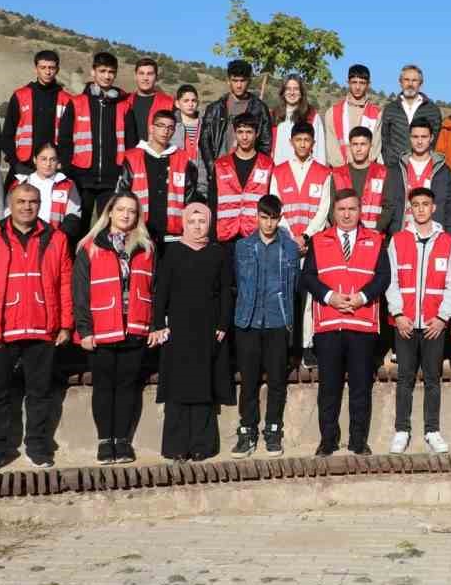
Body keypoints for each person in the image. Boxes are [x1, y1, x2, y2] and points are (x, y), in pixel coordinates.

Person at [0, 183, 73, 470]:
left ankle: (37, 446)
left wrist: (65, 324)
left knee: (40, 393)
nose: (27, 207)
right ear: (10, 204)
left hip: (42, 327)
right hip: (0, 329)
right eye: (21, 201)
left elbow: (65, 283)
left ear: (40, 205)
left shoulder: (56, 238)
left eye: (33, 202)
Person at [300, 188, 391, 455]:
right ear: (334, 212)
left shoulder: (375, 240)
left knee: (361, 386)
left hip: (362, 324)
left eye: (352, 209)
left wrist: (362, 297)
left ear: (360, 211)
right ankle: (328, 440)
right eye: (341, 209)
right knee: (329, 386)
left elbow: (383, 277)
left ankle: (358, 440)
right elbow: (308, 277)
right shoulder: (318, 240)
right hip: (329, 324)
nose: (347, 214)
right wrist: (329, 296)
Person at [73, 191, 155, 466]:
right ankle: (104, 441)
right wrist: (84, 330)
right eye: (120, 209)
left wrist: (154, 325)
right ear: (109, 212)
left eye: (131, 211)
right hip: (103, 327)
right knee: (104, 387)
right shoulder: (89, 247)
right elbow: (80, 293)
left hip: (134, 326)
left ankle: (122, 440)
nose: (126, 215)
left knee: (128, 387)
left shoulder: (146, 248)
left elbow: (154, 289)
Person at [152, 201, 235, 461]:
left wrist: (223, 323)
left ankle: (202, 445)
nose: (197, 227)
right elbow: (161, 290)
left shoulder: (217, 253)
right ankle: (176, 446)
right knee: (178, 386)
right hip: (178, 329)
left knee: (202, 386)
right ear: (184, 224)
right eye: (192, 222)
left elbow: (225, 290)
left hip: (207, 328)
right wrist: (159, 324)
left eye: (202, 222)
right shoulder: (173, 253)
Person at [385, 186, 451, 454]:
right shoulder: (398, 240)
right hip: (405, 323)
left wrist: (442, 318)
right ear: (410, 209)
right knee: (404, 378)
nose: (420, 209)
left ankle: (432, 430)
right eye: (415, 204)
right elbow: (391, 281)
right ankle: (401, 430)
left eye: (425, 204)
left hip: (433, 325)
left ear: (433, 208)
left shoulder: (447, 241)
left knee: (432, 378)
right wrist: (398, 314)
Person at [230, 194, 301, 458]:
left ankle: (273, 430)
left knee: (276, 380)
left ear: (280, 218)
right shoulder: (242, 247)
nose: (269, 223)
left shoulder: (290, 248)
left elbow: (294, 287)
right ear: (256, 217)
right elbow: (237, 282)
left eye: (273, 218)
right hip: (248, 320)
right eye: (264, 217)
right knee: (248, 380)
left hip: (277, 321)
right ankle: (247, 430)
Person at [117, 111, 200, 248]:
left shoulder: (183, 159)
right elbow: (121, 195)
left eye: (170, 128)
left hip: (173, 234)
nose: (165, 131)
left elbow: (190, 198)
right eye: (161, 126)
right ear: (151, 128)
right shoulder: (132, 157)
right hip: (138, 231)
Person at [68, 51, 132, 224]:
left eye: (111, 72)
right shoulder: (76, 103)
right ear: (93, 72)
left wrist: (125, 173)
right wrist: (69, 172)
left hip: (112, 179)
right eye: (102, 71)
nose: (107, 76)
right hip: (81, 178)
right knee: (77, 226)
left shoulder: (124, 106)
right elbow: (65, 141)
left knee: (108, 228)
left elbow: (131, 144)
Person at [380, 117, 451, 236]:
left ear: (431, 138)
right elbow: (389, 205)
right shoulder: (396, 170)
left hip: (433, 238)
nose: (419, 141)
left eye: (424, 137)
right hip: (402, 236)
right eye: (415, 137)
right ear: (410, 138)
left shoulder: (444, 172)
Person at [2, 50, 75, 173]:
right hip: (24, 166)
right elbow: (7, 135)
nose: (47, 72)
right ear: (36, 69)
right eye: (43, 67)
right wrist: (15, 163)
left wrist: (64, 164)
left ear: (57, 69)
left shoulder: (67, 100)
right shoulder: (20, 96)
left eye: (51, 68)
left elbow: (72, 138)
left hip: (55, 167)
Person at [211, 116, 277, 244]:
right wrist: (212, 237)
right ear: (235, 133)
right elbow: (213, 201)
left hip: (256, 234)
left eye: (249, 132)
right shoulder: (221, 165)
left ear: (256, 134)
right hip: (226, 234)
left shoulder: (267, 164)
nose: (245, 137)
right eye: (240, 132)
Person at [200, 59, 274, 165]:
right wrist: (213, 168)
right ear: (228, 81)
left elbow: (265, 143)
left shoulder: (260, 108)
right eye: (235, 81)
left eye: (242, 81)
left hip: (249, 168)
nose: (239, 85)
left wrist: (256, 167)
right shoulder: (215, 108)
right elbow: (204, 141)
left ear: (249, 81)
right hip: (221, 167)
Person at [6, 142, 83, 240]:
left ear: (58, 162)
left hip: (55, 241)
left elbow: (73, 215)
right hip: (22, 239)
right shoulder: (20, 183)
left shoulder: (67, 185)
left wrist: (59, 237)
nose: (48, 164)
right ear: (35, 159)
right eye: (43, 159)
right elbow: (8, 212)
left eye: (53, 159)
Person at [379, 64, 442, 169]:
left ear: (420, 84)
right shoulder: (390, 109)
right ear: (400, 82)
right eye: (406, 80)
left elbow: (436, 139)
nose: (410, 84)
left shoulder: (432, 110)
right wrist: (390, 162)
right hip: (396, 167)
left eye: (414, 80)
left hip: (424, 167)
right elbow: (385, 139)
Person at [322, 64, 381, 167]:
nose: (357, 87)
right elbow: (332, 146)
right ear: (348, 82)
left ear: (368, 84)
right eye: (354, 82)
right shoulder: (332, 112)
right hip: (340, 170)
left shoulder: (377, 114)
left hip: (367, 171)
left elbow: (376, 146)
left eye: (362, 83)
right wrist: (342, 168)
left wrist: (363, 167)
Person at [335, 126, 387, 232]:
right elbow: (331, 207)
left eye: (363, 144)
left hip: (375, 235)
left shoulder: (383, 172)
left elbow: (389, 206)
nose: (358, 149)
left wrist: (378, 228)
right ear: (349, 147)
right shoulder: (337, 174)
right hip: (344, 235)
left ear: (370, 146)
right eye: (355, 144)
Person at [272, 74, 327, 166]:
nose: (292, 92)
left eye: (296, 89)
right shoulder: (274, 115)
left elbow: (319, 151)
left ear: (301, 93)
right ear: (283, 92)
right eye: (288, 89)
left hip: (304, 172)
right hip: (278, 171)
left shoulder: (312, 116)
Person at [124, 57, 176, 146]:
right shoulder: (124, 101)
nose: (145, 78)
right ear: (135, 76)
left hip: (156, 156)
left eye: (150, 74)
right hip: (128, 155)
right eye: (141, 73)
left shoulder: (169, 103)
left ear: (156, 77)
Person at [171, 84, 206, 161]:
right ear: (177, 103)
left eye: (193, 100)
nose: (190, 104)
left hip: (202, 171)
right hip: (178, 170)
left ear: (198, 103)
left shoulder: (206, 124)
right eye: (186, 101)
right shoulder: (171, 125)